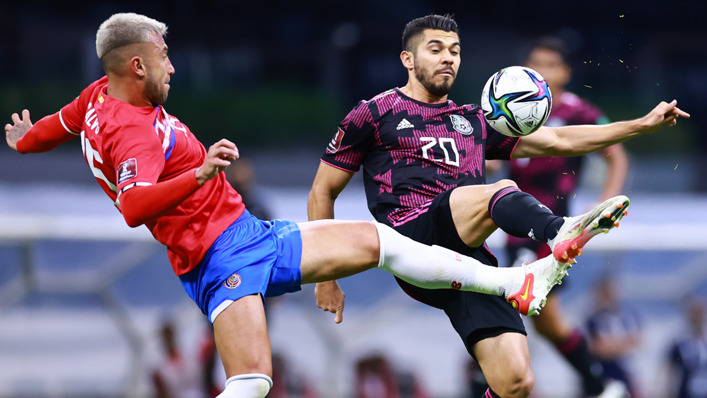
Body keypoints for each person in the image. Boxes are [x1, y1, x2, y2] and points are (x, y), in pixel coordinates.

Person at [3, 13, 577, 398]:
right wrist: (200, 172)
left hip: (241, 240)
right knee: (254, 381)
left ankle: (513, 285)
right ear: (137, 66)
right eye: (164, 57)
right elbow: (133, 205)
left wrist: (24, 139)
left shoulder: (96, 98)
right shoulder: (132, 130)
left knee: (379, 245)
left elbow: (57, 125)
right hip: (221, 257)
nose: (172, 66)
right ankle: (516, 281)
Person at [308, 14, 688, 398]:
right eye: (435, 49)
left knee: (516, 382)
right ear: (408, 59)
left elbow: (559, 141)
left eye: (455, 51)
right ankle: (560, 231)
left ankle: (548, 250)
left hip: (471, 263)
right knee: (499, 188)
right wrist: (326, 275)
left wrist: (640, 124)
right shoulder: (373, 113)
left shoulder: (472, 120)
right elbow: (322, 191)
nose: (448, 59)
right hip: (412, 238)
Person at [494, 37, 630, 398]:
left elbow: (616, 154)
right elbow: (493, 157)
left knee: (508, 307)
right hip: (512, 223)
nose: (543, 71)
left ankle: (490, 384)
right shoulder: (512, 109)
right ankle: (599, 384)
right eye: (535, 63)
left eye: (551, 64)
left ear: (566, 72)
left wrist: (606, 203)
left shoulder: (577, 111)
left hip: (550, 229)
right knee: (546, 323)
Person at [585, 277, 641, 397]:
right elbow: (597, 348)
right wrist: (622, 344)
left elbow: (639, 341)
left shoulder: (627, 315)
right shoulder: (593, 319)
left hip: (626, 373)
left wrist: (611, 345)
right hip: (602, 375)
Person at [669, 298, 707, 398]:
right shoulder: (680, 345)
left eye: (700, 316)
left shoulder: (704, 345)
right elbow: (670, 374)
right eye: (695, 316)